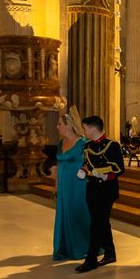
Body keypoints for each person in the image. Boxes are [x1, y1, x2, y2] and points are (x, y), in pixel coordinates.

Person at [75, 116, 125, 273]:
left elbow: (119, 169)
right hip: (92, 190)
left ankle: (91, 260)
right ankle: (110, 253)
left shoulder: (112, 146)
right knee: (101, 222)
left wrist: (103, 174)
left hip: (106, 191)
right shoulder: (88, 146)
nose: (84, 131)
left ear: (92, 128)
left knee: (96, 224)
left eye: (85, 128)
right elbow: (87, 163)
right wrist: (83, 171)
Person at [52, 106, 90, 261]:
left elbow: (90, 163)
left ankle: (84, 247)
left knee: (78, 213)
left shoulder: (83, 143)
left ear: (68, 125)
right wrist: (55, 186)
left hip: (79, 185)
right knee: (64, 214)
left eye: (60, 124)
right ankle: (65, 247)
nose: (57, 127)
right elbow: (58, 166)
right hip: (63, 186)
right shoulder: (61, 144)